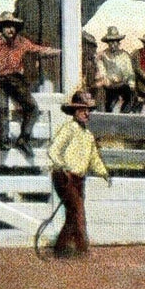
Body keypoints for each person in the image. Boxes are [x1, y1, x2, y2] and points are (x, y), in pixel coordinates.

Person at [0, 11, 60, 157]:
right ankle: (4, 141)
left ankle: (23, 139)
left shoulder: (21, 42)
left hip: (15, 80)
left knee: (32, 107)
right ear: (1, 28)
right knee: (2, 108)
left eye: (13, 26)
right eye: (7, 26)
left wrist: (57, 51)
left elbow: (38, 49)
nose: (10, 30)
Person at [47, 91, 110, 258]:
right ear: (74, 111)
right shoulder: (69, 129)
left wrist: (103, 172)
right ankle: (83, 250)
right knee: (78, 212)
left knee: (72, 213)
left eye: (88, 110)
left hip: (79, 179)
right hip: (65, 177)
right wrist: (62, 167)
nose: (86, 113)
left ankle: (60, 250)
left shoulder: (88, 136)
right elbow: (54, 150)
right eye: (82, 110)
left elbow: (94, 158)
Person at [96, 26, 135, 113]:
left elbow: (129, 73)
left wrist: (130, 84)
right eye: (110, 42)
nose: (112, 45)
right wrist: (108, 82)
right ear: (107, 43)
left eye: (114, 42)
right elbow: (102, 72)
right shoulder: (103, 55)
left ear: (118, 43)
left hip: (122, 84)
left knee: (131, 96)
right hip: (109, 86)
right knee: (107, 104)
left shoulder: (125, 56)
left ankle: (124, 114)